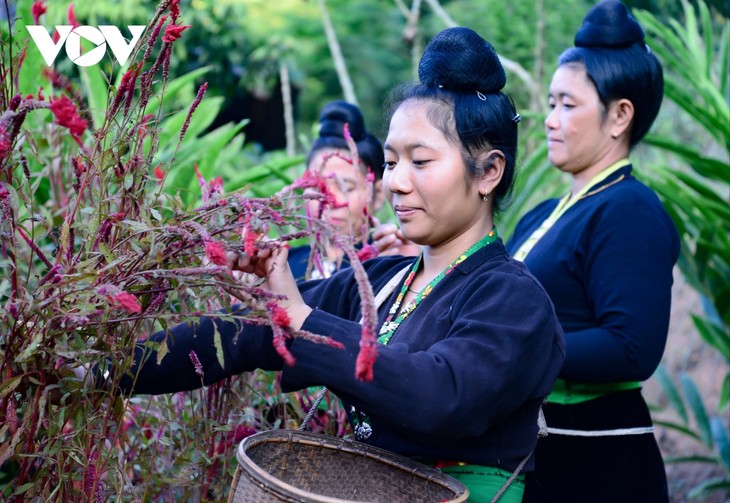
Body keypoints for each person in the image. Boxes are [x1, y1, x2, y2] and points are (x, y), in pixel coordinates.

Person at [111, 27, 565, 502]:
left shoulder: (513, 298)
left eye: (421, 161)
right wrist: (105, 375)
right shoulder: (380, 284)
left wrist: (305, 321)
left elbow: (441, 397)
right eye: (391, 163)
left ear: (488, 171)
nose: (397, 183)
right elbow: (240, 335)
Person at [505, 1, 680, 501]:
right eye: (550, 103)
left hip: (601, 461)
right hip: (543, 450)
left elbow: (631, 348)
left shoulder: (629, 210)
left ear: (619, 115)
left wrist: (515, 349)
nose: (550, 120)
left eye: (567, 104)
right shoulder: (545, 213)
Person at [288, 100, 390, 280]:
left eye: (347, 188)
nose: (331, 200)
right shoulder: (284, 267)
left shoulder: (387, 265)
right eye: (318, 187)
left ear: (379, 194)